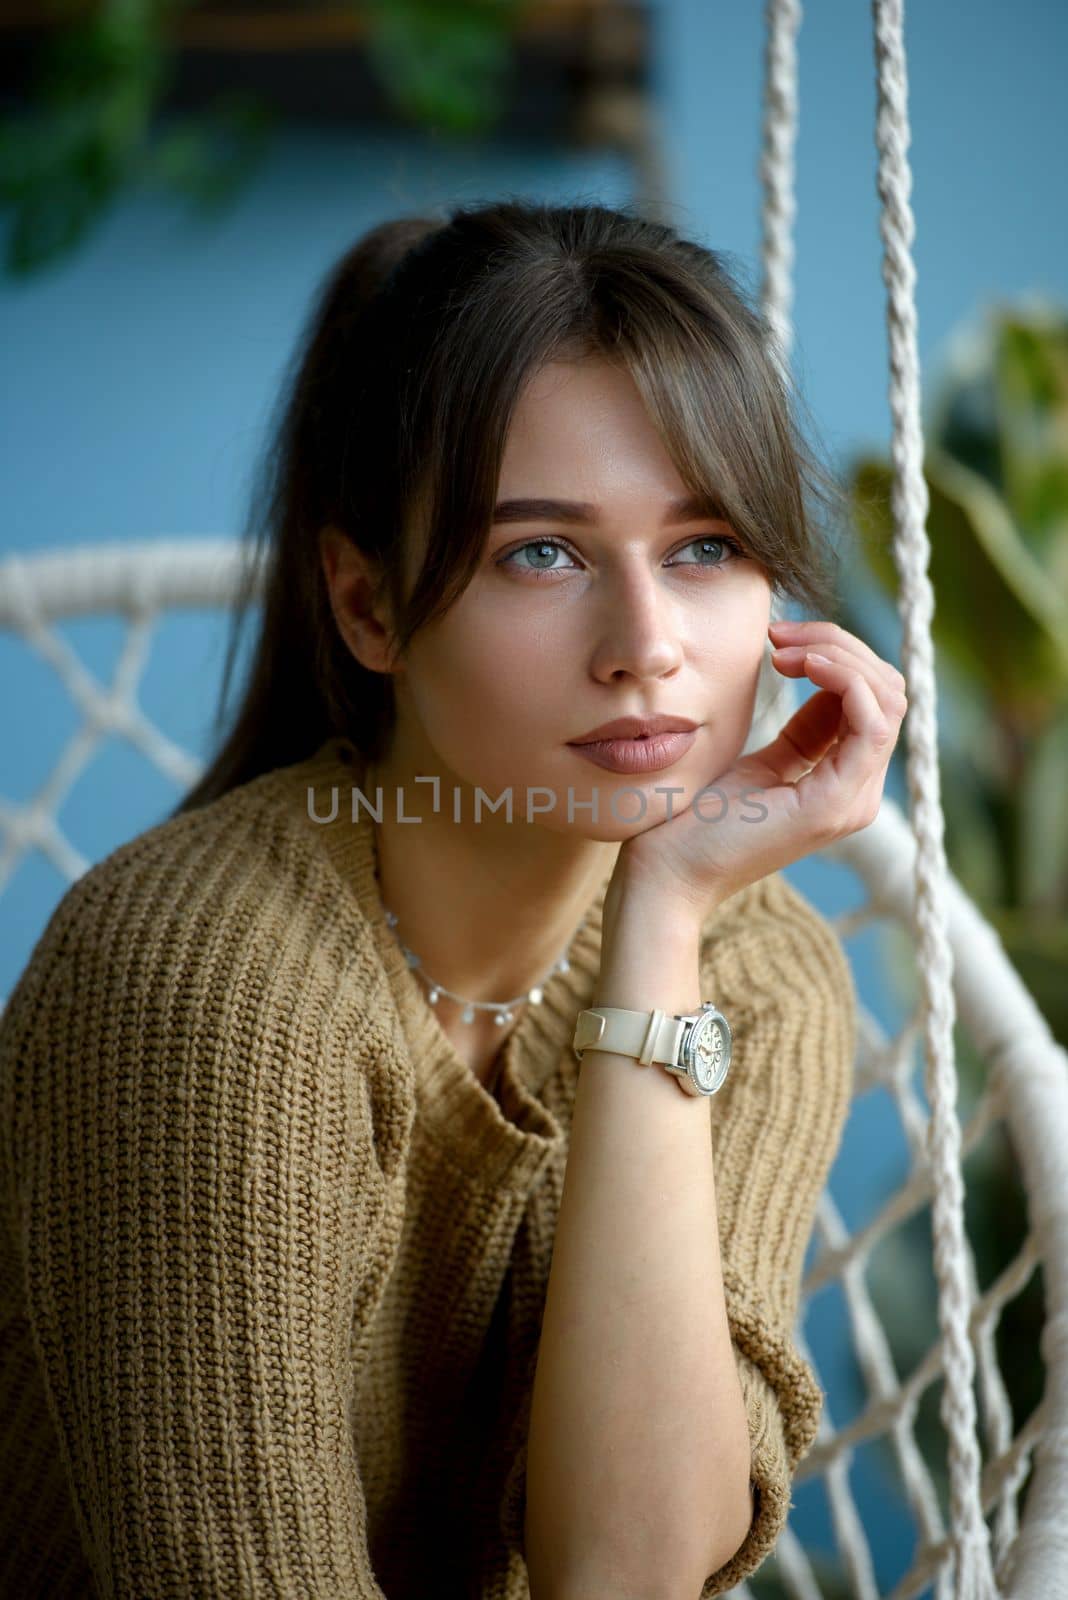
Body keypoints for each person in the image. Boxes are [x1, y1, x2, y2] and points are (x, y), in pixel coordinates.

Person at [0, 200, 906, 1598]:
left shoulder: (757, 969)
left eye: (706, 546)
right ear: (367, 609)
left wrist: (659, 923)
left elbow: (630, 1571)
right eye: (539, 553)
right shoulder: (209, 993)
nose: (647, 649)